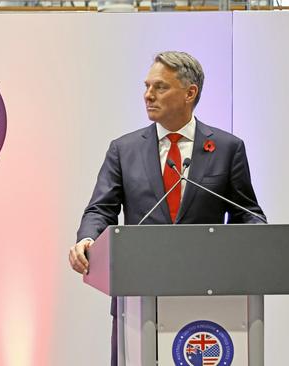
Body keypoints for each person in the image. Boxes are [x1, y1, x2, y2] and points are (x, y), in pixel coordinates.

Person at [68, 51, 265, 365]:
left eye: (160, 87)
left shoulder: (227, 148)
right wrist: (87, 240)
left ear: (190, 93)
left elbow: (247, 212)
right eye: (146, 86)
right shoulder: (124, 149)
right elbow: (101, 209)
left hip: (209, 296)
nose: (148, 95)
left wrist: (260, 241)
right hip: (138, 296)